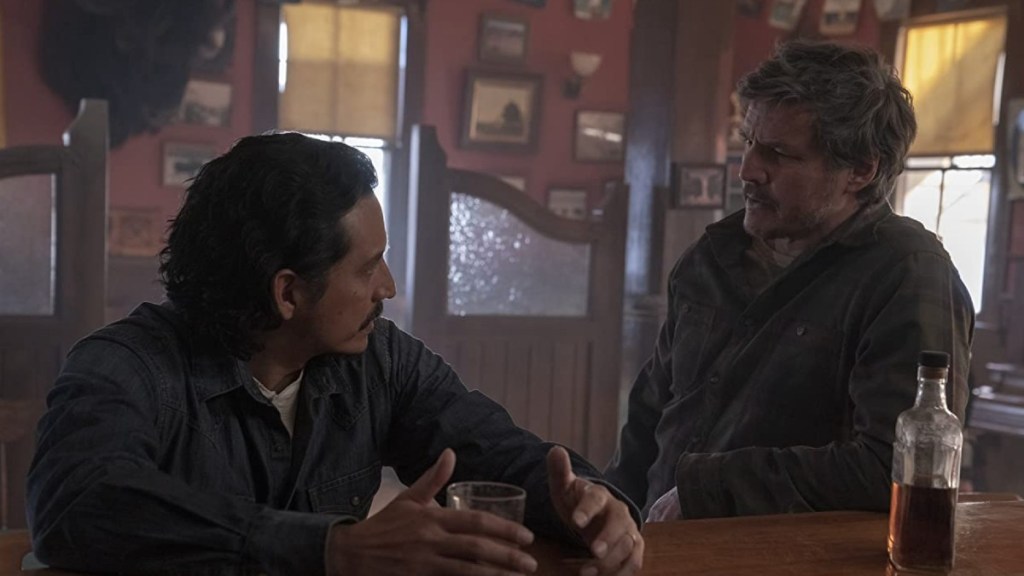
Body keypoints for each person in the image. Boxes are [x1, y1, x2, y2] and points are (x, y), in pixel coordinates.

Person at [27, 133, 643, 576]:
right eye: (369, 267)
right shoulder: (126, 366)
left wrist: (585, 502)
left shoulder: (380, 361)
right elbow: (76, 505)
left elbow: (495, 453)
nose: (389, 288)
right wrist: (334, 549)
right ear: (288, 293)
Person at [605, 40, 975, 521]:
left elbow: (900, 464)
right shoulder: (710, 258)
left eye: (778, 153)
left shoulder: (907, 275)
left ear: (860, 169)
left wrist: (710, 489)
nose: (747, 170)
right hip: (655, 547)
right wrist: (605, 510)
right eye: (749, 142)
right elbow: (648, 421)